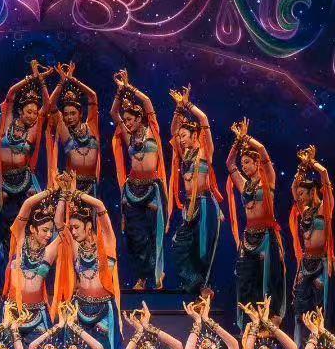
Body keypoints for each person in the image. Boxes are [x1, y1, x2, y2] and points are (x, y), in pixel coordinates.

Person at [110, 70, 169, 291]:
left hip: (152, 189)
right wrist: (119, 92)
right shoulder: (127, 135)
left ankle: (156, 274)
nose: (126, 123)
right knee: (136, 236)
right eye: (125, 120)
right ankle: (143, 277)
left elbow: (147, 101)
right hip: (132, 191)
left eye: (130, 120)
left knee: (153, 233)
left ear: (139, 118)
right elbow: (113, 112)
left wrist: (129, 86)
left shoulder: (153, 129)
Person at [57, 181, 124, 349]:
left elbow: (100, 206)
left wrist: (76, 193)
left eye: (76, 227)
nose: (73, 231)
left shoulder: (107, 242)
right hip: (79, 309)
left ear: (88, 226)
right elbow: (58, 223)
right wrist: (63, 196)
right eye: (71, 228)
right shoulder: (75, 247)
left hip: (104, 309)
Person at [167, 86, 222, 296]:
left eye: (184, 135)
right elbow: (173, 129)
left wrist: (188, 104)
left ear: (194, 135)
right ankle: (195, 284)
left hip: (205, 203)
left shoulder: (205, 151)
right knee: (179, 245)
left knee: (203, 248)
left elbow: (204, 119)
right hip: (188, 207)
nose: (180, 139)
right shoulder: (184, 154)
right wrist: (178, 108)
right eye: (180, 136)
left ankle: (204, 287)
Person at [228, 118, 286, 310]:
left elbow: (261, 149)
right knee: (245, 279)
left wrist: (246, 137)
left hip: (266, 236)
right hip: (248, 237)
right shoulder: (244, 185)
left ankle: (270, 318)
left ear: (257, 163)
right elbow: (230, 164)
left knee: (269, 279)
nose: (243, 166)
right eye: (242, 163)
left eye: (247, 162)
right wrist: (237, 142)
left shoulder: (268, 180)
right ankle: (248, 319)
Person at [0, 62, 51, 253]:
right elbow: (11, 94)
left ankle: (29, 262)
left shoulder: (33, 129)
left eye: (35, 113)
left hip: (26, 182)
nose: (33, 116)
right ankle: (11, 262)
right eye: (29, 112)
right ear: (20, 111)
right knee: (8, 227)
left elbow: (47, 106)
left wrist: (42, 82)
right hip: (5, 184)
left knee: (30, 225)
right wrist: (31, 78)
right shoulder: (7, 122)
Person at [2, 183, 66, 336]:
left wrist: (63, 195)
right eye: (45, 230)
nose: (49, 235)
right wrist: (51, 191)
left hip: (38, 316)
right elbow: (27, 204)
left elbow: (64, 230)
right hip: (12, 314)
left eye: (51, 231)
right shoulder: (18, 241)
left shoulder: (49, 252)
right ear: (32, 229)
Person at [289, 147, 335, 342]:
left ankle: (322, 345)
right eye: (299, 194)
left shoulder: (325, 208)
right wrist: (302, 167)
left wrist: (313, 163)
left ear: (313, 191)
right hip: (306, 264)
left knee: (320, 308)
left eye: (303, 193)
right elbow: (293, 188)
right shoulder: (305, 211)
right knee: (300, 307)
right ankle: (300, 348)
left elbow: (324, 175)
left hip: (321, 264)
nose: (299, 197)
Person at [43, 62, 102, 195]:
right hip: (71, 187)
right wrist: (62, 82)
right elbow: (50, 104)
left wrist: (72, 79)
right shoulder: (65, 133)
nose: (69, 117)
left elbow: (92, 96)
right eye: (66, 114)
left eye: (73, 113)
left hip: (92, 187)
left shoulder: (91, 126)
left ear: (80, 113)